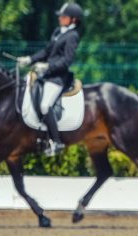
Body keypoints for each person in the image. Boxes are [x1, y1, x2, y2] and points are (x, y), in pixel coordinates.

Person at [18, 2, 83, 156]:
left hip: (58, 78)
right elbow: (46, 51)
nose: (60, 18)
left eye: (64, 16)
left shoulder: (73, 36)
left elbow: (67, 61)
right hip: (46, 75)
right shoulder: (58, 32)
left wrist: (48, 67)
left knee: (45, 106)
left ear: (73, 20)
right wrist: (30, 59)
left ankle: (57, 141)